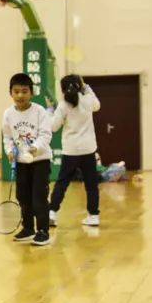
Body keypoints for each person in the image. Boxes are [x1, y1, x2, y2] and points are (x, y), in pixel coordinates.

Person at [2, 73, 53, 247]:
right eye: (16, 91)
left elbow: (46, 134)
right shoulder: (8, 114)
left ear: (31, 92)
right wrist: (9, 150)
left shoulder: (40, 112)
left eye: (24, 91)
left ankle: (43, 231)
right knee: (23, 196)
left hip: (40, 161)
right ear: (11, 93)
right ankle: (28, 228)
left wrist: (36, 148)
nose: (20, 95)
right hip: (21, 163)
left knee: (39, 197)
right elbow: (7, 137)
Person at [49, 75, 101, 227]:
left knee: (62, 182)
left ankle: (52, 213)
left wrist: (49, 113)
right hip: (88, 149)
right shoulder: (88, 100)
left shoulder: (63, 105)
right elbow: (98, 105)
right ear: (80, 86)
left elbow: (54, 127)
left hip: (71, 150)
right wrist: (87, 88)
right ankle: (93, 216)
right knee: (91, 184)